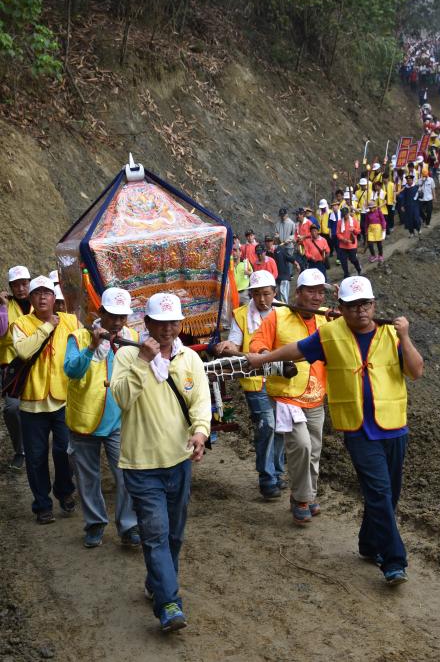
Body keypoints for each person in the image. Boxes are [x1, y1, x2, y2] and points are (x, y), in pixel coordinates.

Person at [246, 275, 423, 586]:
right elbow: (295, 351)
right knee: (379, 492)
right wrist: (262, 359)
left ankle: (369, 544)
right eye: (352, 306)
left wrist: (405, 336)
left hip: (394, 427)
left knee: (389, 494)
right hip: (357, 429)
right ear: (341, 307)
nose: (359, 311)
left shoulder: (390, 334)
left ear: (373, 305)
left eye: (365, 304)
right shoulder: (330, 333)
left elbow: (416, 371)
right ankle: (394, 560)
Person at [111, 292, 211, 632]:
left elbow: (201, 404)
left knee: (174, 536)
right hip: (141, 465)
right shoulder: (127, 356)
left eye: (173, 322)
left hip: (178, 462)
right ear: (147, 324)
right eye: (160, 323)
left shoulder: (191, 361)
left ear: (180, 324)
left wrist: (200, 433)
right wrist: (142, 361)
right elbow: (122, 398)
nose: (167, 329)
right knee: (155, 534)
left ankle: (158, 582)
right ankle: (169, 603)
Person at [249, 269, 328, 526]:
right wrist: (278, 365)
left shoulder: (327, 319)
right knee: (302, 445)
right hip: (286, 396)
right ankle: (301, 498)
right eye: (311, 291)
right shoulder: (278, 316)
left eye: (321, 292)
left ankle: (307, 494)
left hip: (317, 395)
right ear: (298, 292)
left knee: (314, 450)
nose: (316, 297)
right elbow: (257, 351)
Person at [64, 288, 140, 548]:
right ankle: (95, 524)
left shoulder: (132, 338)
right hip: (85, 420)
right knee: (88, 478)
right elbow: (71, 371)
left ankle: (129, 526)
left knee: (127, 475)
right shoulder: (79, 337)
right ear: (101, 314)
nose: (117, 322)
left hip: (120, 419)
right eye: (112, 316)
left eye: (122, 317)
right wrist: (91, 349)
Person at [12, 276, 79, 524]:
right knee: (37, 456)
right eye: (36, 293)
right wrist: (47, 326)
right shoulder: (21, 323)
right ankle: (42, 504)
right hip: (32, 401)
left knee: (64, 450)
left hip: (64, 399)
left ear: (54, 298)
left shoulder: (71, 321)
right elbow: (24, 351)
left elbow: (81, 351)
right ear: (30, 299)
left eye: (46, 293)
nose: (42, 297)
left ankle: (64, 490)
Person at [215, 271, 285, 499]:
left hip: (283, 379)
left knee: (282, 426)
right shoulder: (242, 315)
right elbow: (235, 342)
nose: (262, 299)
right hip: (256, 380)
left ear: (275, 292)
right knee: (267, 426)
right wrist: (229, 346)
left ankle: (277, 472)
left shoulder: (284, 312)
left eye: (266, 294)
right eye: (256, 295)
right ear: (251, 295)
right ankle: (267, 479)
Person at [0, 265, 32, 469]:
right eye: (16, 285)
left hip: (37, 361)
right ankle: (21, 449)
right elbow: (2, 333)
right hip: (12, 365)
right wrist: (2, 306)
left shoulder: (40, 301)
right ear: (10, 287)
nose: (21, 288)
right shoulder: (5, 305)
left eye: (24, 284)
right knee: (12, 408)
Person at [272, 235, 300, 304]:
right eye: (267, 242)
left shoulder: (280, 249)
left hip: (283, 277)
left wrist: (297, 264)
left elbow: (289, 257)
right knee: (278, 298)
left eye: (270, 241)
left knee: (283, 297)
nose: (269, 243)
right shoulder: (267, 252)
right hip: (276, 279)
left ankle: (286, 311)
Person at [336, 206, 362, 279]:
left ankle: (358, 269)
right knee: (343, 261)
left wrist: (353, 229)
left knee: (353, 259)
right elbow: (338, 233)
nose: (345, 216)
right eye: (343, 215)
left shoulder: (354, 221)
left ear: (348, 213)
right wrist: (344, 239)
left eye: (346, 214)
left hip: (352, 245)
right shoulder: (339, 222)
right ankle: (346, 274)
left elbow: (358, 231)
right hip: (343, 245)